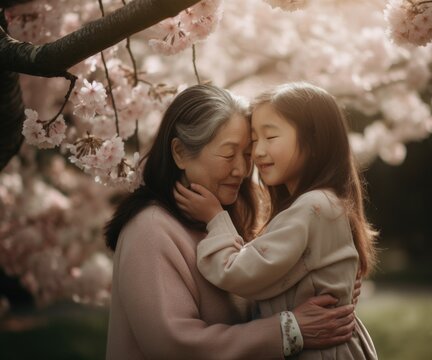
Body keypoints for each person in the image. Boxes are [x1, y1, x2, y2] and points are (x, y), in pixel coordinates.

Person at [104, 84, 359, 360]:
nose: (242, 169)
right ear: (179, 153)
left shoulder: (222, 220)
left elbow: (255, 286)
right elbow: (173, 345)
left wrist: (321, 287)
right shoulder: (150, 229)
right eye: (228, 154)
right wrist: (288, 330)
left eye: (246, 154)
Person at [174, 82, 378, 359]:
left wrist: (215, 219)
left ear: (314, 142)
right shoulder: (322, 204)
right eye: (254, 140)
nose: (257, 153)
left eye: (270, 138)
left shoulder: (312, 207)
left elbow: (237, 272)